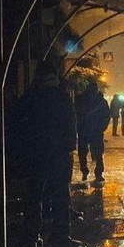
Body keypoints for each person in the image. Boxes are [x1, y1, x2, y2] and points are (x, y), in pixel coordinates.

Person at [15, 62, 77, 221]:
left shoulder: (30, 97)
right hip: (59, 154)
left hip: (35, 153)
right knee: (60, 197)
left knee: (34, 196)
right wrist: (69, 148)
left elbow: (17, 123)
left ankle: (32, 235)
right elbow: (70, 124)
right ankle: (61, 237)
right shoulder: (62, 96)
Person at [75, 80, 111, 185]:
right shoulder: (101, 101)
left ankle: (86, 171)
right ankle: (97, 174)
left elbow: (77, 113)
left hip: (85, 130)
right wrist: (101, 127)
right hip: (95, 130)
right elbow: (106, 116)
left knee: (84, 152)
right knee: (97, 153)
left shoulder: (81, 99)